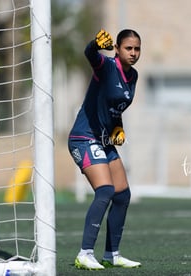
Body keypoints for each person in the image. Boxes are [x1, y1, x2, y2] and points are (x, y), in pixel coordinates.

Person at [68, 29, 142, 270]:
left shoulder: (134, 76)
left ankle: (112, 254)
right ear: (117, 49)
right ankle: (84, 253)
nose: (133, 53)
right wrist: (93, 44)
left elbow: (115, 107)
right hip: (84, 137)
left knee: (122, 195)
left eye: (137, 49)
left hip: (104, 140)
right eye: (128, 48)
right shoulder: (106, 66)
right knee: (106, 190)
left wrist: (118, 127)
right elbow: (90, 54)